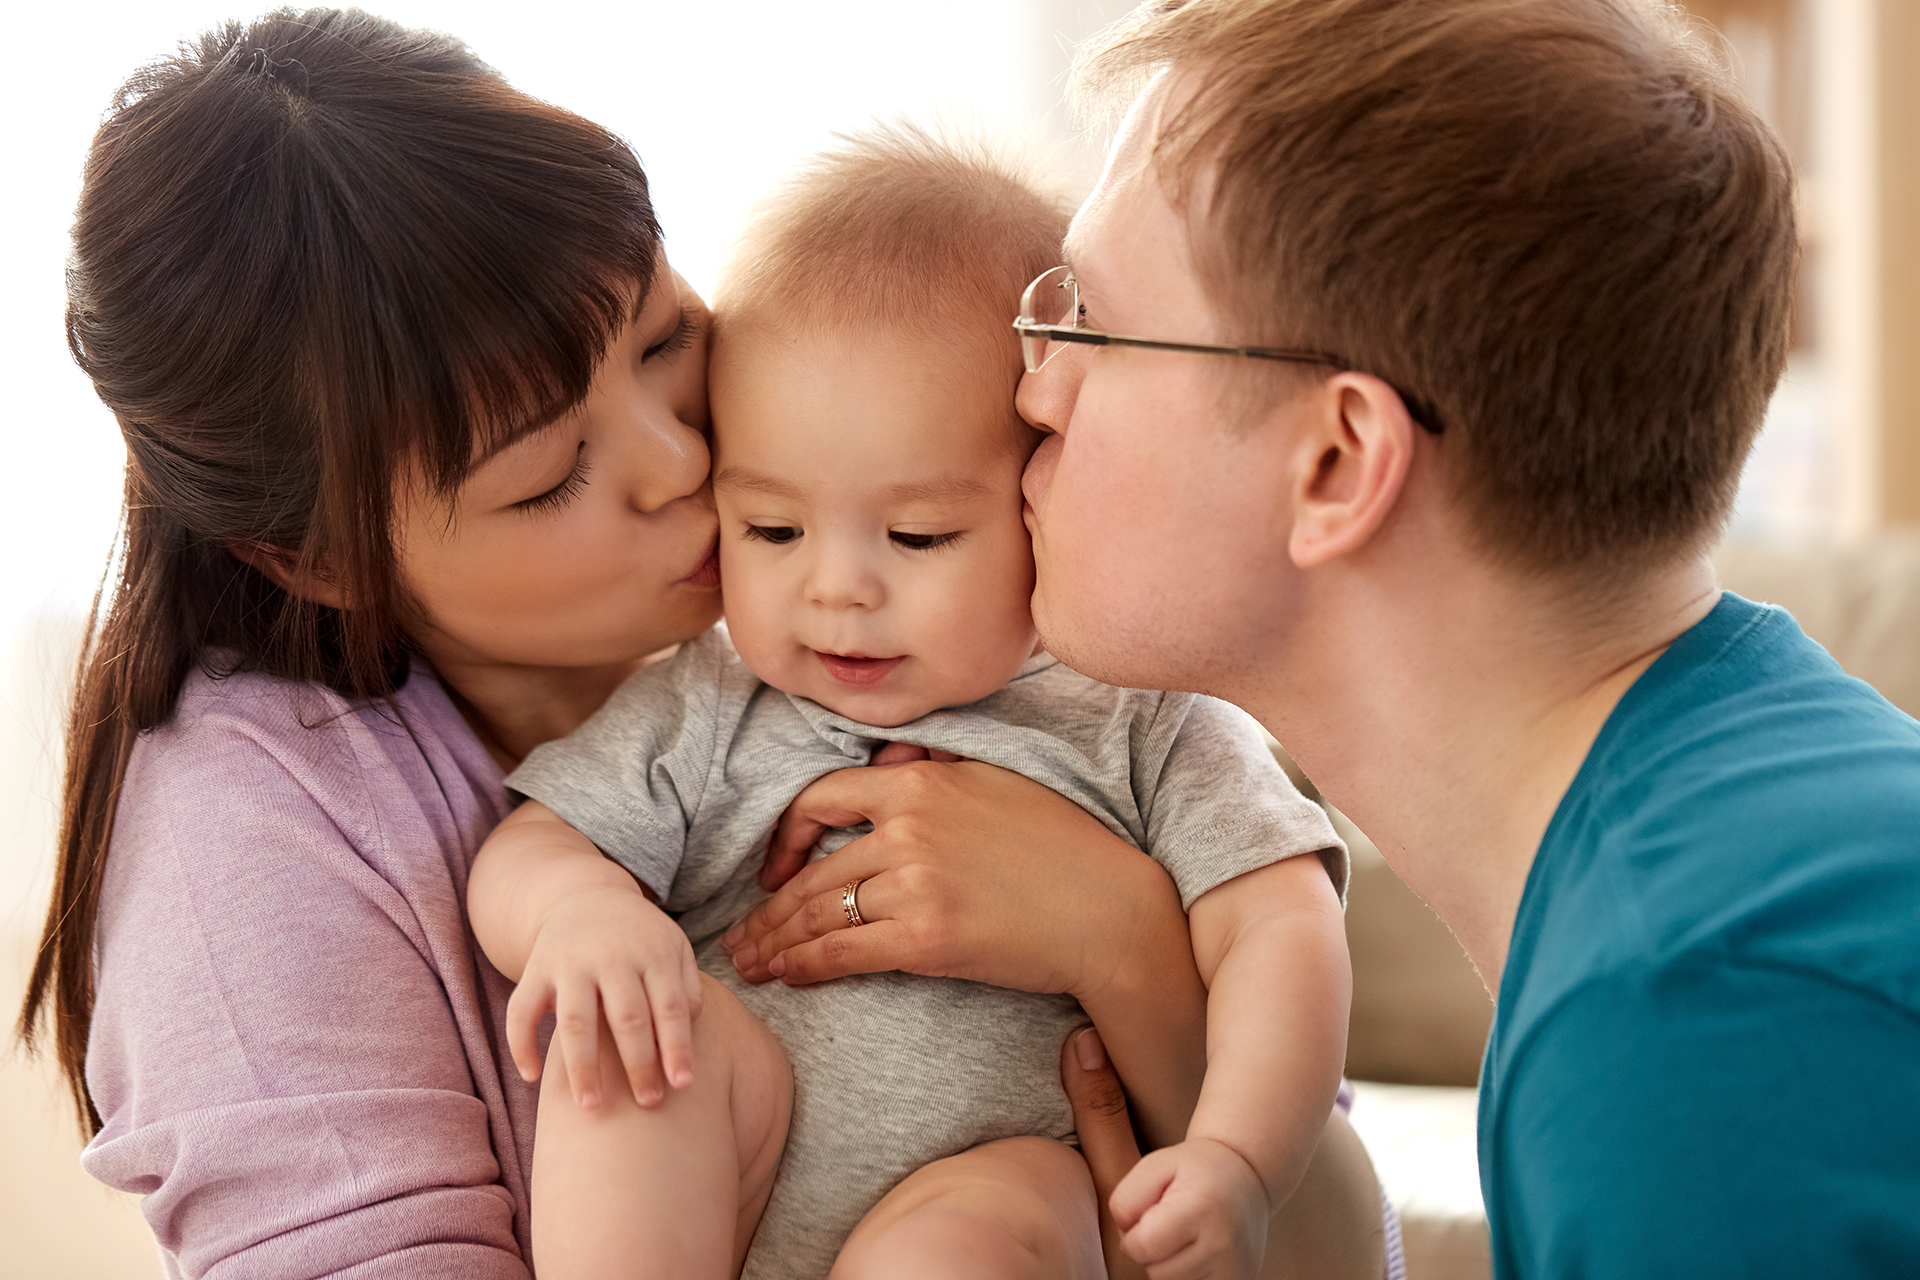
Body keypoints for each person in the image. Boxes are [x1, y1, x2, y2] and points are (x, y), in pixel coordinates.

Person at [15, 9, 1391, 1277]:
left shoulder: (968, 630)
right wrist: (589, 918)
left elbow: (1325, 1231)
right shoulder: (253, 842)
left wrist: (1117, 942)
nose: (687, 465)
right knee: (639, 1060)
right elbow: (548, 872)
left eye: (669, 337)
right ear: (317, 558)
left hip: (1000, 1205)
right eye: (551, 473)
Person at [468, 128, 1352, 1280]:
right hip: (734, 1164)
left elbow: (1282, 930)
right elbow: (529, 845)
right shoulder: (713, 699)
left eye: (920, 533)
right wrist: (581, 913)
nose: (836, 587)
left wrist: (1238, 1154)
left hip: (994, 1166)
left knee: (973, 1237)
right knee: (633, 1062)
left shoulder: (1143, 712)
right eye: (773, 528)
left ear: (1048, 485)